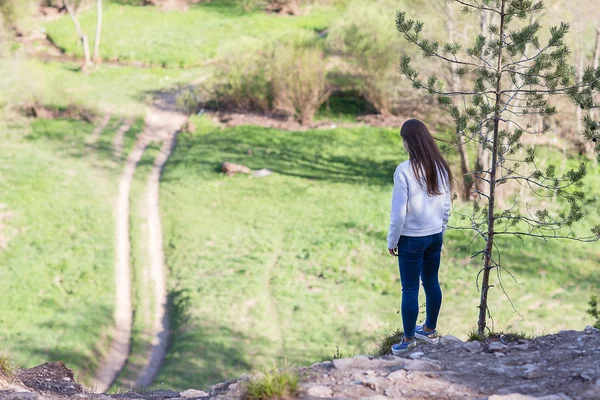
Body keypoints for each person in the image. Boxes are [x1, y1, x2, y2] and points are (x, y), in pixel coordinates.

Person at [387, 119, 453, 354]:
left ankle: (407, 340)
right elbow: (446, 207)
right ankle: (429, 330)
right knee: (432, 282)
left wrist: (392, 241)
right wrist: (440, 231)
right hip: (435, 235)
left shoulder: (404, 170)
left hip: (411, 240)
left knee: (410, 289)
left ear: (409, 142)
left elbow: (398, 213)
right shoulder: (441, 167)